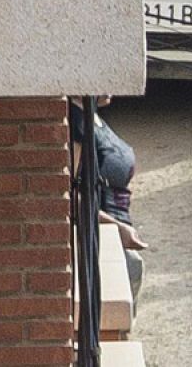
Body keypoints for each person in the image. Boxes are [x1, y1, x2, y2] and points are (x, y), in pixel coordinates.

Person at [69, 97, 146, 296]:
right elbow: (68, 197)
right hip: (101, 239)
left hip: (117, 233)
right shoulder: (76, 123)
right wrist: (117, 228)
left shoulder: (91, 114)